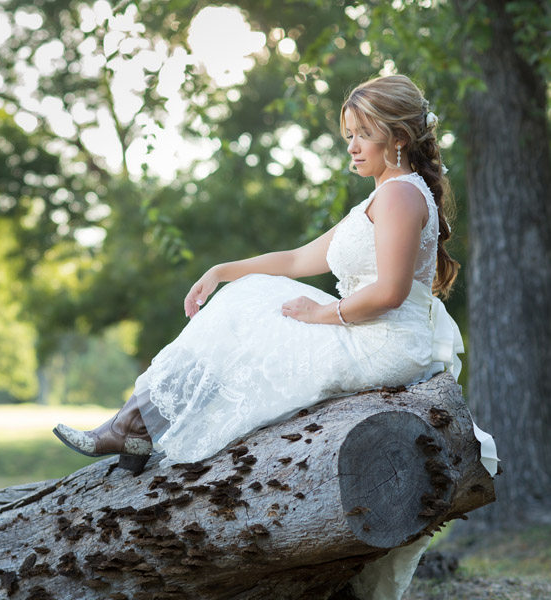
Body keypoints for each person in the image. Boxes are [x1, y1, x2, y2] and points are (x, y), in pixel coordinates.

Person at [52, 74, 494, 485]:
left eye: (364, 135)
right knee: (247, 295)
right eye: (348, 137)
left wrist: (323, 313)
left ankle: (132, 426)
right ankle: (135, 425)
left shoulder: (398, 194)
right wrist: (223, 271)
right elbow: (300, 258)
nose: (353, 147)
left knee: (249, 312)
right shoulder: (392, 193)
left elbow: (391, 293)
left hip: (382, 344)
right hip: (371, 333)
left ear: (397, 138)